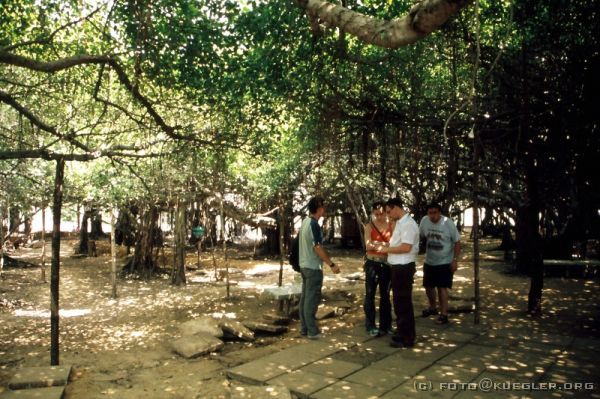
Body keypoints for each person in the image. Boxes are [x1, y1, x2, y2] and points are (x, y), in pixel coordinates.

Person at [377, 198, 420, 348]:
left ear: (396, 208)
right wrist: (387, 246)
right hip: (397, 266)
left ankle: (407, 337)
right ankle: (403, 331)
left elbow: (406, 247)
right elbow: (398, 244)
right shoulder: (400, 223)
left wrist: (386, 250)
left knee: (403, 302)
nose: (388, 215)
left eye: (389, 212)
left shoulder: (408, 224)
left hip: (403, 267)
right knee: (399, 302)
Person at [299, 196, 341, 339]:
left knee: (305, 298)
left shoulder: (305, 222)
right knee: (311, 300)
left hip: (304, 265)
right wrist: (331, 264)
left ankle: (304, 328)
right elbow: (317, 247)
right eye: (323, 207)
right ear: (319, 208)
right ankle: (312, 331)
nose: (324, 210)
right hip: (313, 267)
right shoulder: (314, 225)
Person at [419, 203, 461, 324]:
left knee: (442, 287)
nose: (432, 216)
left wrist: (455, 260)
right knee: (428, 286)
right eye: (430, 213)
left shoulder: (448, 223)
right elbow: (420, 236)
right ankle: (432, 308)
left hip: (445, 261)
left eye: (435, 213)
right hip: (430, 260)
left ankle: (444, 314)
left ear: (440, 213)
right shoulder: (424, 221)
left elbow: (457, 242)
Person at [363, 201, 394, 337]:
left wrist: (377, 244)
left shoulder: (391, 226)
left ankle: (385, 325)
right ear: (372, 214)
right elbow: (368, 246)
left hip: (386, 264)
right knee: (370, 294)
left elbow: (393, 245)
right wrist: (385, 245)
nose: (379, 217)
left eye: (381, 214)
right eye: (376, 214)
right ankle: (370, 325)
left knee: (385, 296)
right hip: (372, 263)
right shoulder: (369, 226)